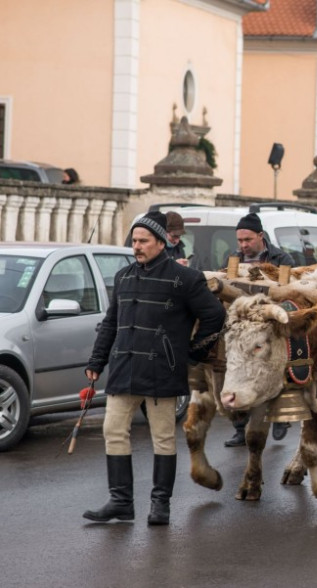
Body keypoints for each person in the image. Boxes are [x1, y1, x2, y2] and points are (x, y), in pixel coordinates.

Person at [83, 212, 225, 525]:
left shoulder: (186, 279)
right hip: (124, 368)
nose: (137, 246)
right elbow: (110, 323)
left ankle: (160, 505)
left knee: (162, 437)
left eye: (143, 241)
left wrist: (190, 353)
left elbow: (215, 315)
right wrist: (96, 361)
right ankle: (121, 501)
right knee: (113, 430)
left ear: (160, 243)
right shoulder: (123, 277)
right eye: (134, 241)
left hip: (163, 371)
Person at [223, 212, 295, 447]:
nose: (243, 245)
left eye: (248, 240)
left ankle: (280, 418)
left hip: (268, 323)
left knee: (276, 365)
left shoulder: (281, 258)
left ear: (261, 236)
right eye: (240, 241)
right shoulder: (233, 258)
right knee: (237, 370)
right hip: (242, 324)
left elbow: (288, 293)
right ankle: (238, 427)